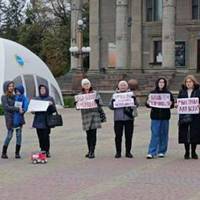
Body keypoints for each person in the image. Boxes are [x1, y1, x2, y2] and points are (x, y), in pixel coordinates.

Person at [146, 78, 174, 159]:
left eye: (163, 82)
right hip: (155, 116)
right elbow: (148, 104)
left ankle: (161, 151)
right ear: (157, 83)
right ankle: (151, 152)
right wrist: (147, 103)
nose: (161, 83)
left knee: (164, 134)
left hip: (165, 116)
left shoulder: (168, 93)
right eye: (160, 82)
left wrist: (171, 104)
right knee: (155, 134)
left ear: (165, 84)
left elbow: (171, 105)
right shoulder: (152, 93)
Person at [76, 78, 103, 159]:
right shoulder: (80, 95)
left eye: (87, 84)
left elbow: (101, 103)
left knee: (93, 134)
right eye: (84, 84)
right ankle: (89, 150)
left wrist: (97, 102)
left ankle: (92, 151)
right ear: (82, 86)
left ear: (90, 85)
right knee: (88, 134)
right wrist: (76, 103)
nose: (86, 85)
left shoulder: (95, 93)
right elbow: (78, 108)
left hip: (94, 115)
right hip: (86, 116)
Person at [109, 80, 137, 158]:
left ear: (127, 86)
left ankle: (128, 152)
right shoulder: (115, 95)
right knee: (118, 136)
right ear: (118, 87)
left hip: (129, 118)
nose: (123, 86)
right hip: (118, 118)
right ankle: (118, 152)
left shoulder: (131, 94)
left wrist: (134, 100)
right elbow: (110, 106)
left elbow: (136, 105)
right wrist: (113, 103)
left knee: (128, 136)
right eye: (121, 85)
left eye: (124, 85)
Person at [177, 75, 200, 159]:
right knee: (184, 133)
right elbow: (179, 102)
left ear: (193, 82)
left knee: (194, 133)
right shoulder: (182, 91)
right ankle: (186, 152)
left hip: (195, 116)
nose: (188, 83)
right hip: (184, 115)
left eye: (190, 82)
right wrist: (177, 105)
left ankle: (193, 152)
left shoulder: (198, 91)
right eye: (187, 82)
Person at [1, 81, 24, 159]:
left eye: (12, 86)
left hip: (18, 119)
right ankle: (4, 152)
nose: (11, 87)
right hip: (10, 119)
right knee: (9, 136)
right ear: (6, 87)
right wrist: (17, 109)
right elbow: (6, 107)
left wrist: (22, 109)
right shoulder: (4, 97)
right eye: (9, 86)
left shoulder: (16, 96)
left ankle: (17, 153)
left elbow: (21, 104)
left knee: (19, 136)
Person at [32, 85, 56, 157]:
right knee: (40, 137)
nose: (42, 90)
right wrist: (32, 110)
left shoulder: (50, 98)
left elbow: (54, 110)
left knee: (46, 136)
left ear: (46, 90)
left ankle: (47, 151)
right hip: (38, 121)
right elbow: (33, 110)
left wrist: (51, 105)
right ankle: (42, 149)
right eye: (41, 89)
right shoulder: (36, 99)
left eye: (43, 89)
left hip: (46, 121)